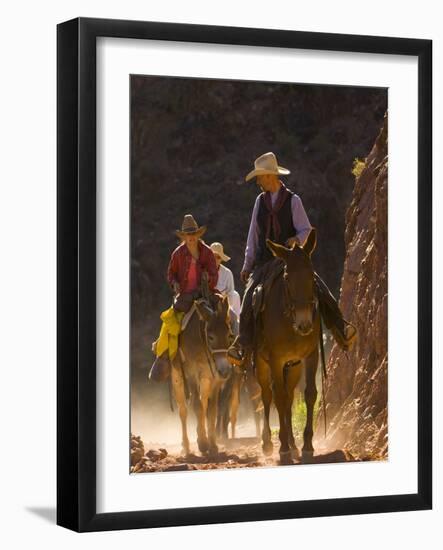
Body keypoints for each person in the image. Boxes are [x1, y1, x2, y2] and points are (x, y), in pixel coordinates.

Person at [227, 151, 357, 367]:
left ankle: (340, 327)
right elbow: (254, 235)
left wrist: (295, 239)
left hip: (291, 259)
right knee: (249, 297)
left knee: (317, 285)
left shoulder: (293, 201)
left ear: (270, 176)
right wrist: (247, 264)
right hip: (265, 260)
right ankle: (243, 345)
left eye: (260, 176)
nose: (258, 181)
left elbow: (306, 229)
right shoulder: (259, 202)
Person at [149, 214, 219, 381]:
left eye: (194, 234)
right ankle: (163, 357)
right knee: (170, 323)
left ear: (198, 235)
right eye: (188, 235)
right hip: (185, 296)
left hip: (205, 294)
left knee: (223, 316)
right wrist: (174, 284)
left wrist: (208, 279)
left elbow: (214, 273)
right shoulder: (178, 254)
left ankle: (233, 351)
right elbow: (171, 274)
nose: (191, 237)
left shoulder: (207, 252)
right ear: (184, 237)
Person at [210, 242, 241, 318]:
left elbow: (230, 294)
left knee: (234, 319)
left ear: (221, 259)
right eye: (213, 256)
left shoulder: (227, 273)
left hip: (223, 307)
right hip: (207, 306)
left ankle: (237, 330)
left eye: (218, 257)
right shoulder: (203, 271)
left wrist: (224, 309)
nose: (215, 259)